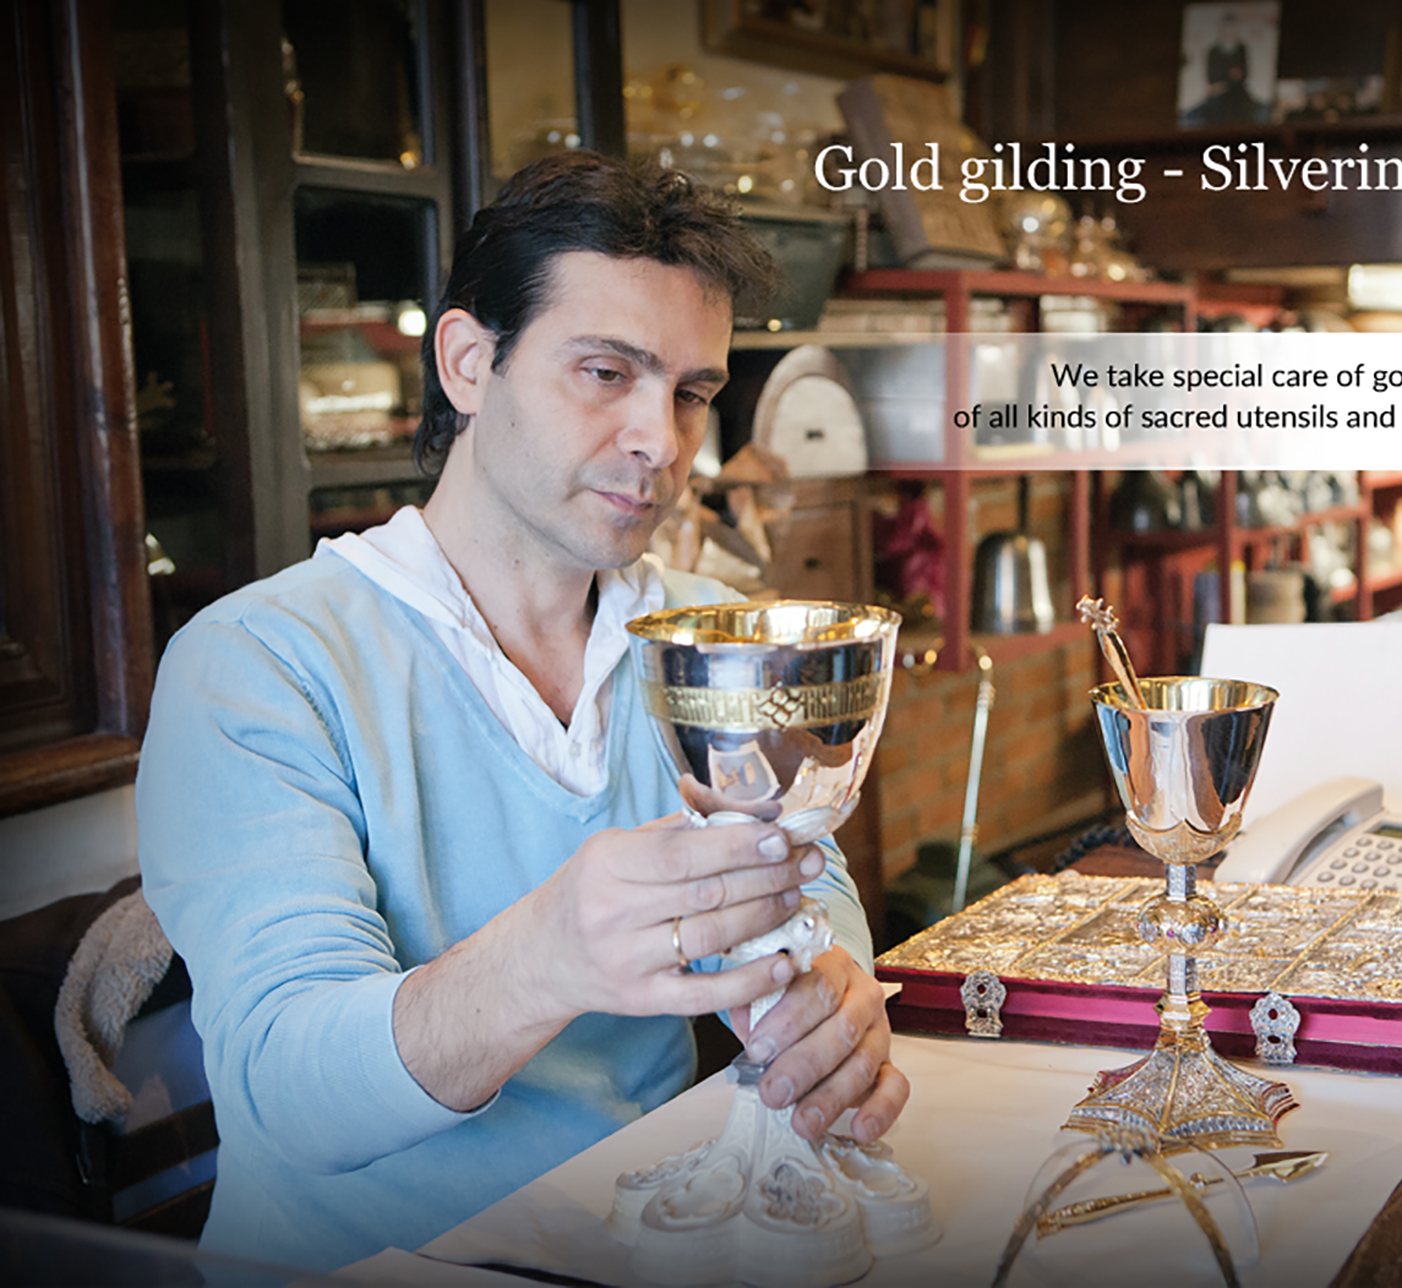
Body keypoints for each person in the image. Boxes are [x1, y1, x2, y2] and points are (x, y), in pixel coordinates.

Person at [136, 153, 906, 1273]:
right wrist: (547, 958)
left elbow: (804, 871)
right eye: (605, 372)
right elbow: (287, 1085)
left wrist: (828, 989)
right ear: (467, 362)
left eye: (692, 392)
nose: (662, 441)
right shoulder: (259, 662)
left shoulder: (706, 632)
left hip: (642, 1243)